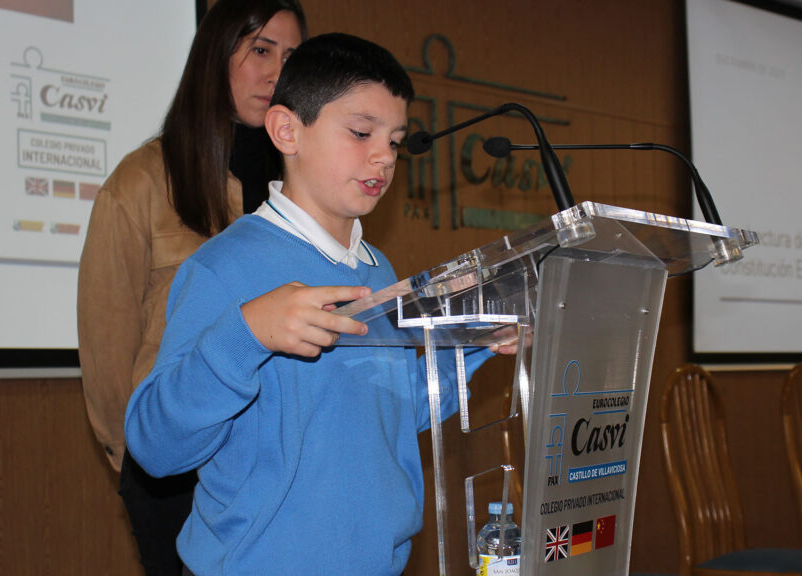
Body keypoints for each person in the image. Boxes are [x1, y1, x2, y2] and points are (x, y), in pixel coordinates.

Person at [124, 33, 513, 575]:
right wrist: (245, 334)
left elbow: (387, 417)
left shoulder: (377, 270)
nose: (384, 156)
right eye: (361, 132)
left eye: (395, 140)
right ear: (287, 130)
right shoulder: (223, 267)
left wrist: (472, 344)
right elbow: (155, 446)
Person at [76, 2, 306, 575]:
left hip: (281, 463)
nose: (277, 73)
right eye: (260, 50)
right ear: (214, 57)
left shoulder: (308, 187)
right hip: (175, 470)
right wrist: (141, 460)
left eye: (292, 57)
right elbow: (107, 352)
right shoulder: (140, 183)